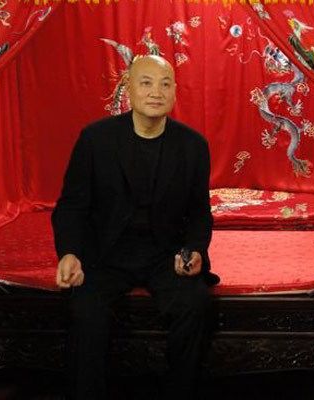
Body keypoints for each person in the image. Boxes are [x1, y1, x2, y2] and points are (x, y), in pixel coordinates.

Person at [52, 55, 218, 399]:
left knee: (196, 304)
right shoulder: (95, 139)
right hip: (106, 254)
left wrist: (194, 250)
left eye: (165, 84)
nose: (156, 92)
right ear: (128, 88)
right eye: (146, 82)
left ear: (174, 92)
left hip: (166, 254)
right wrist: (69, 253)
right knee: (86, 311)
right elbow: (72, 206)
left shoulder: (193, 146)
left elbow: (200, 213)